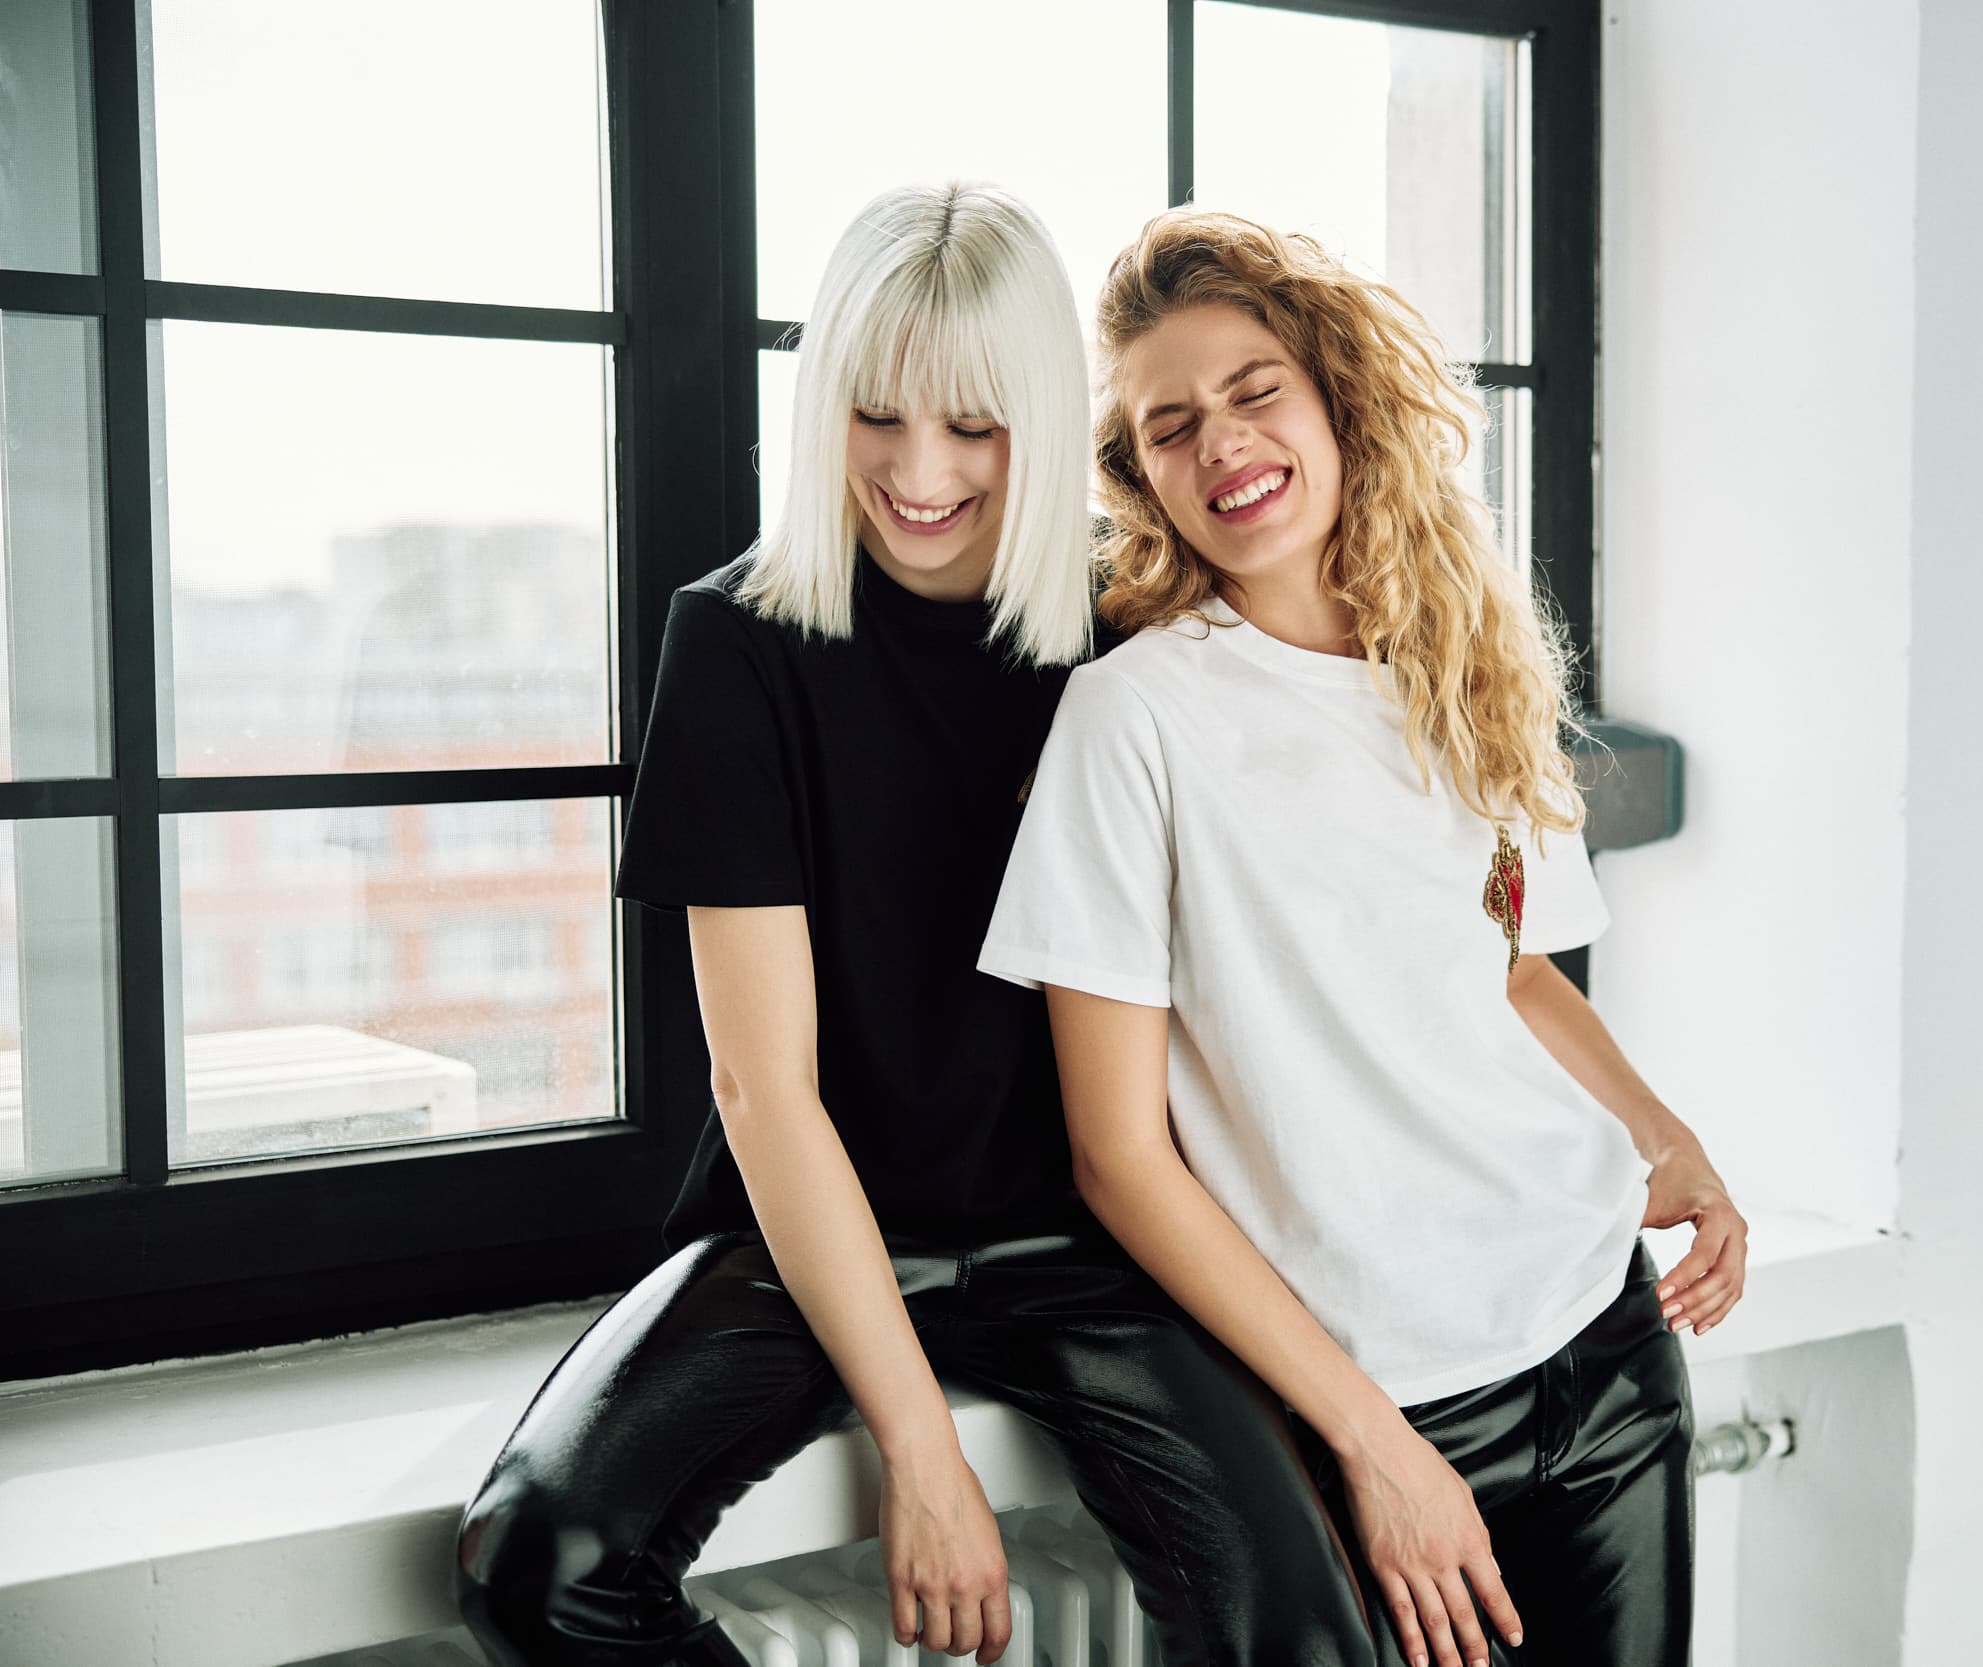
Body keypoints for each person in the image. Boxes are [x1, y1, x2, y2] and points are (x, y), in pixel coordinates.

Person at [452, 184, 1387, 1667]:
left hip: (1099, 1238)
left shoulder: (1139, 627)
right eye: (876, 415)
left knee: (1311, 1640)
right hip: (806, 1226)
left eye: (975, 426)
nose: (920, 472)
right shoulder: (736, 639)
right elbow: (763, 1089)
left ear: (1043, 418)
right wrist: (920, 1446)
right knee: (535, 1563)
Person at [979, 209, 1750, 1667]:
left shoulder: (1465, 659)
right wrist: (1374, 1446)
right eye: (1168, 427)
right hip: (1383, 1402)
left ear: (1337, 398)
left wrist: (1671, 1141)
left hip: (1603, 1338)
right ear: (1142, 478)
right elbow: (1118, 1159)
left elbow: (1519, 973)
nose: (1221, 443)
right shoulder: (1134, 720)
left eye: (1253, 390)